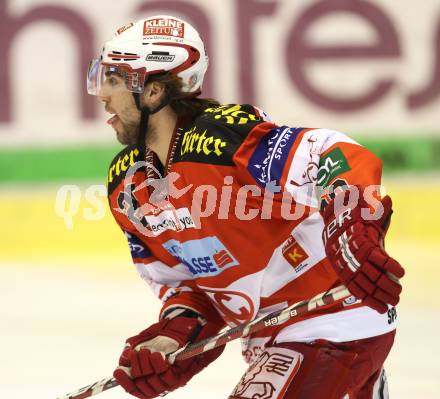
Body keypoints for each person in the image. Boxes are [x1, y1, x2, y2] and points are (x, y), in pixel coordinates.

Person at [86, 15, 405, 399]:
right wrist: (171, 338)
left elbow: (336, 153)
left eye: (115, 80)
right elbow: (186, 288)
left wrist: (349, 224)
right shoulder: (126, 185)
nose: (102, 94)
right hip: (270, 340)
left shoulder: (223, 138)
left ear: (153, 92)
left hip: (335, 321)